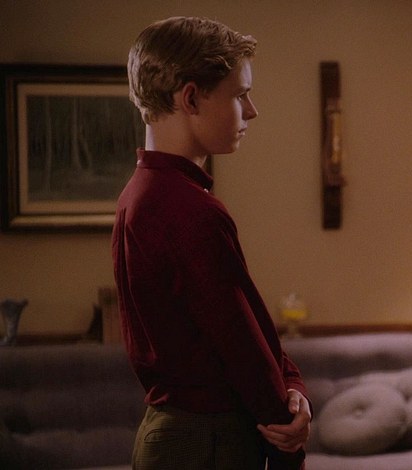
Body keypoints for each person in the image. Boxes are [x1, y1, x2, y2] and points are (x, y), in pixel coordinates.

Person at [112, 16, 310, 469]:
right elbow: (241, 346)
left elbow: (249, 327)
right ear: (191, 98)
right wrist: (289, 434)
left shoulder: (140, 194)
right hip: (204, 443)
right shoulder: (187, 208)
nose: (252, 111)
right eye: (240, 95)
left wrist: (293, 385)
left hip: (177, 436)